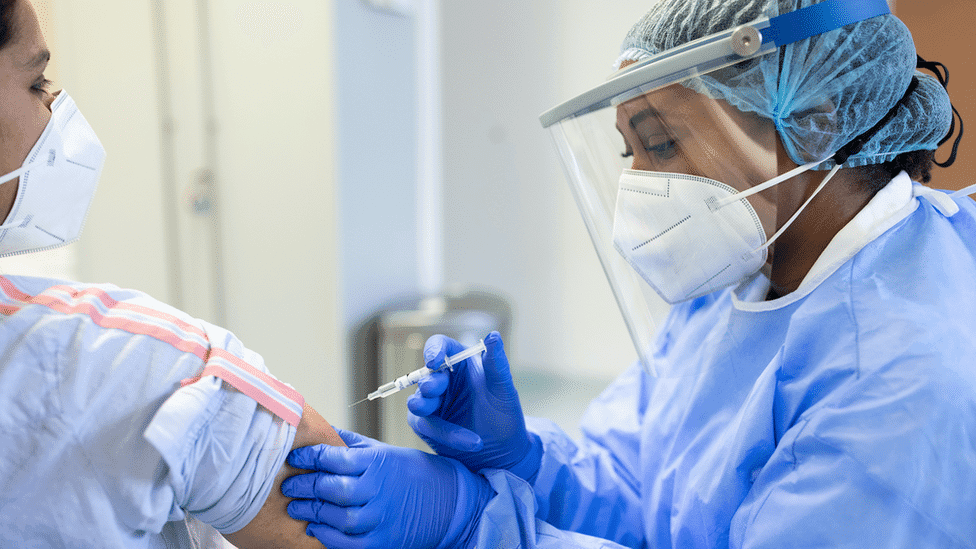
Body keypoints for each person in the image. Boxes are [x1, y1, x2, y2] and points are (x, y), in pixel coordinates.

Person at [283, 0, 976, 547]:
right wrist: (528, 460)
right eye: (628, 152)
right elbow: (644, 488)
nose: (637, 187)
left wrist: (472, 525)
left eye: (662, 143)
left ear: (815, 124)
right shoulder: (746, 279)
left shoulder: (897, 380)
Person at [0, 1, 405, 547]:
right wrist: (472, 500)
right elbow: (327, 504)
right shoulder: (144, 371)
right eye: (36, 81)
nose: (54, 108)